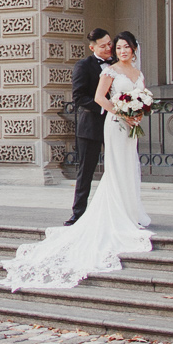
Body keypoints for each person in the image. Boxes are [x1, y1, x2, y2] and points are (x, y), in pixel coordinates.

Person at [1, 31, 153, 290]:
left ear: (134, 49)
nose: (119, 50)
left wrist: (138, 112)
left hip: (129, 126)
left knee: (130, 166)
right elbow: (94, 98)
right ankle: (81, 214)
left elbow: (143, 97)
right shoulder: (106, 70)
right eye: (116, 46)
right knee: (100, 169)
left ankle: (131, 210)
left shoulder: (138, 74)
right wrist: (121, 112)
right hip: (111, 123)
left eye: (124, 46)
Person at [64, 30, 114, 226]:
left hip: (117, 126)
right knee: (86, 171)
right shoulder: (83, 66)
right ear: (92, 47)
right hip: (91, 126)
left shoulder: (118, 63)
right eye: (103, 46)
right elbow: (79, 97)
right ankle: (78, 213)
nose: (108, 48)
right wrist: (107, 107)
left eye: (109, 43)